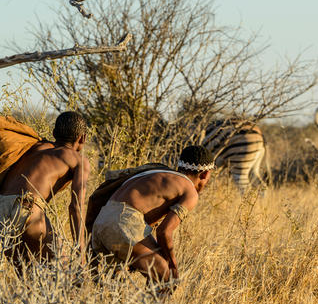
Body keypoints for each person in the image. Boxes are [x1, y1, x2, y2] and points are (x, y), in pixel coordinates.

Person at [91, 145, 214, 285]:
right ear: (205, 174)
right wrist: (173, 266)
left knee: (112, 287)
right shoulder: (190, 191)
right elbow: (164, 232)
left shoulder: (159, 173)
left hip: (101, 220)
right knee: (166, 279)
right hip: (123, 222)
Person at [0, 111, 89, 263]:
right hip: (27, 207)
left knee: (27, 275)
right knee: (66, 273)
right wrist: (80, 250)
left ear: (54, 133)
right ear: (82, 138)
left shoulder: (34, 148)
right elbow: (76, 207)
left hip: (2, 207)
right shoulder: (77, 159)